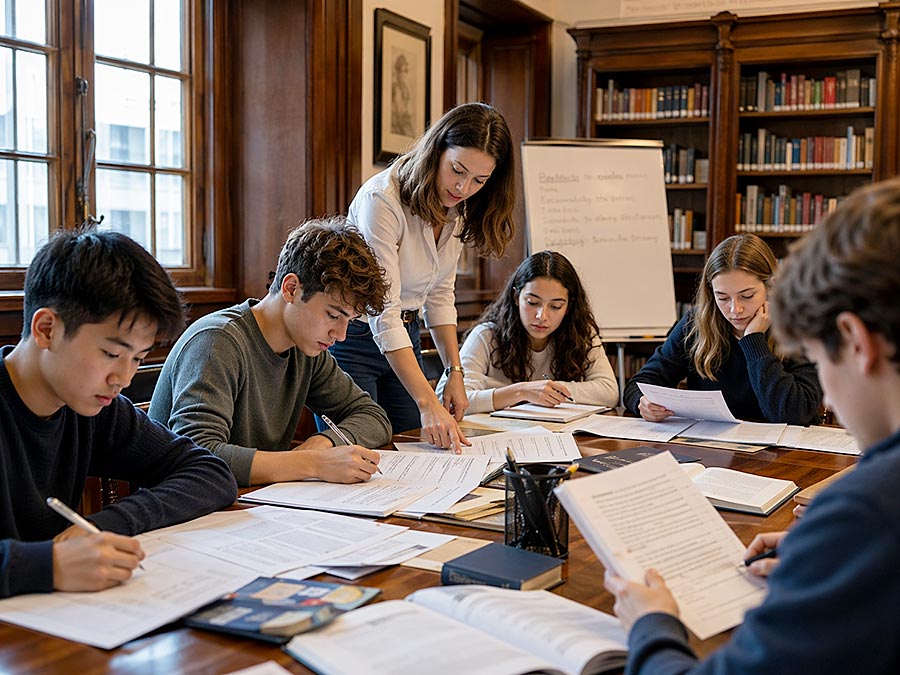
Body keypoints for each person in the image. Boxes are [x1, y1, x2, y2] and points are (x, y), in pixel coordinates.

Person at [603, 178, 900, 674]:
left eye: (823, 359)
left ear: (855, 342)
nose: (735, 310)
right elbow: (645, 379)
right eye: (723, 299)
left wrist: (652, 624)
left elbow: (798, 410)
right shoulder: (866, 514)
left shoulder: (865, 508)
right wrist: (828, 552)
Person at [0, 229, 238, 598]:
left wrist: (111, 523)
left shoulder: (93, 409)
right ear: (47, 329)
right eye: (112, 354)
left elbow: (210, 473)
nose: (123, 379)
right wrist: (48, 565)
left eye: (138, 359)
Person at [149, 217, 392, 488]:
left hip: (251, 503)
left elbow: (373, 416)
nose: (341, 335)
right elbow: (199, 453)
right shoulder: (217, 341)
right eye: (333, 315)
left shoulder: (306, 349)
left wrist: (324, 442)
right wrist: (313, 462)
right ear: (291, 289)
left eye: (349, 320)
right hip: (184, 512)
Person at [331, 101, 516, 449]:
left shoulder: (455, 209)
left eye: (479, 180)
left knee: (417, 446)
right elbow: (383, 313)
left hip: (408, 333)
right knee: (358, 449)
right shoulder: (381, 200)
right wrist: (428, 401)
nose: (463, 188)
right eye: (457, 170)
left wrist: (454, 373)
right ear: (436, 151)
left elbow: (440, 296)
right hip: (353, 337)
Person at [623, 232, 822, 425]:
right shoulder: (696, 324)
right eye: (723, 298)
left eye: (747, 296)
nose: (735, 309)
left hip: (785, 455)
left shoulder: (799, 327)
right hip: (713, 449)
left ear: (771, 287)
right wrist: (642, 402)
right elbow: (640, 383)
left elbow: (795, 413)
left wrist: (754, 340)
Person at [436, 250, 618, 413]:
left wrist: (545, 391)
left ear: (568, 306)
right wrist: (522, 392)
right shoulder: (485, 335)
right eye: (532, 303)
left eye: (555, 306)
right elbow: (451, 400)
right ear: (516, 297)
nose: (542, 316)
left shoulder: (581, 334)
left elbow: (609, 392)